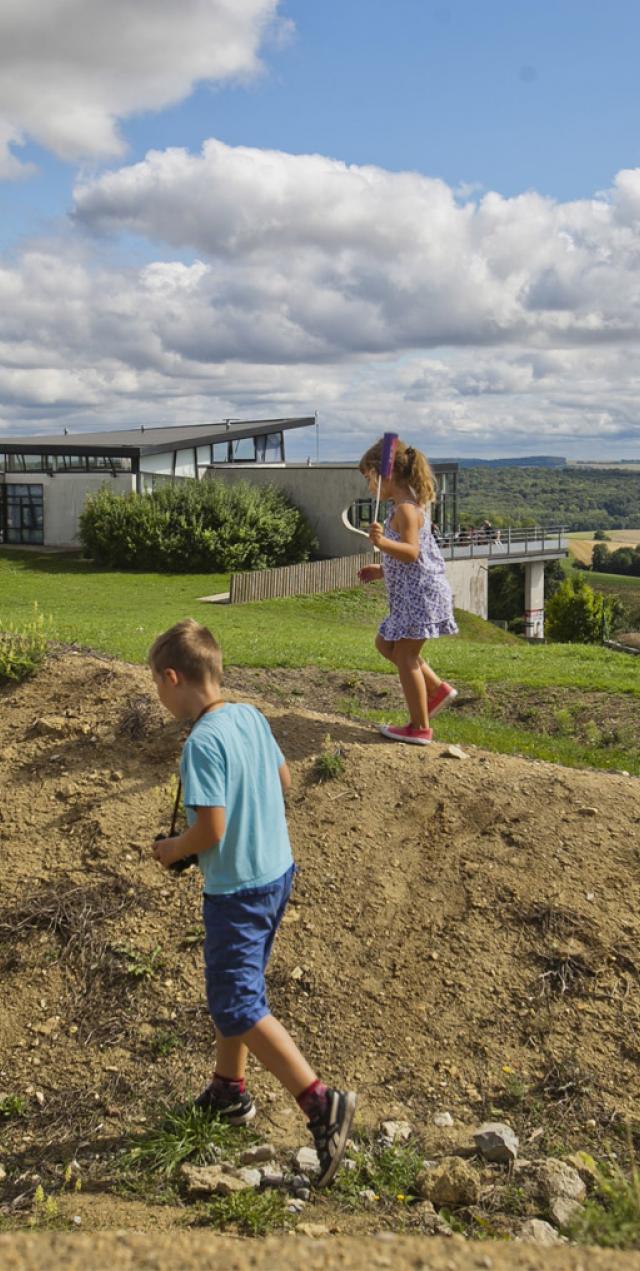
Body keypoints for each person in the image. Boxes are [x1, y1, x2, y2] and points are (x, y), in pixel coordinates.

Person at [148, 619, 356, 1187]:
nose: (160, 698)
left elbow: (210, 830)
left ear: (173, 678)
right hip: (275, 874)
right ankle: (229, 1091)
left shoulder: (200, 743)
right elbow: (284, 781)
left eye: (157, 687)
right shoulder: (250, 716)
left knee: (237, 1002)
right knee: (238, 989)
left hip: (236, 890)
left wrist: (174, 848)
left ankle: (321, 1103)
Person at [357, 438, 458, 746]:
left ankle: (419, 727)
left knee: (405, 655)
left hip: (421, 597)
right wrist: (382, 569)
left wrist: (382, 544)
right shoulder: (403, 507)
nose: (369, 488)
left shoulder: (406, 510)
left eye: (368, 479)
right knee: (386, 645)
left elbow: (412, 552)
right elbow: (410, 560)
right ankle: (437, 690)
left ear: (383, 474)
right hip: (413, 595)